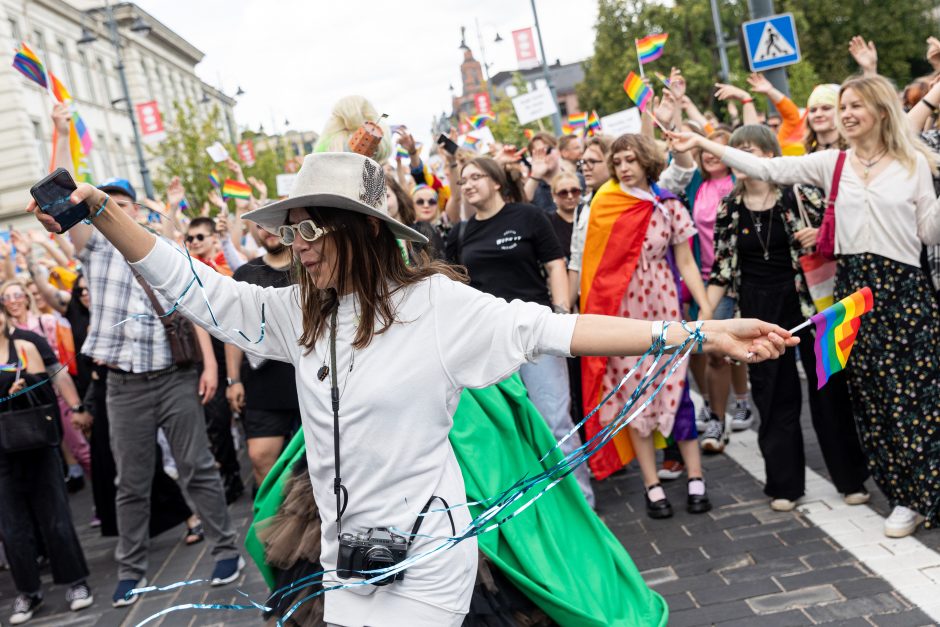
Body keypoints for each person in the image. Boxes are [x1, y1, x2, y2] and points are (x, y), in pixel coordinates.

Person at [29, 150, 794, 625]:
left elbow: (556, 331)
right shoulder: (298, 312)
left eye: (306, 231)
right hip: (345, 557)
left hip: (428, 554)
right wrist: (99, 211)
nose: (293, 248)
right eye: (288, 232)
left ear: (353, 231)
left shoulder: (437, 307)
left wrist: (699, 332)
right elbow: (192, 287)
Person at [670, 74, 940, 537]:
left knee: (918, 395)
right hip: (854, 290)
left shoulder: (912, 161)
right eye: (844, 105)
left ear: (880, 111)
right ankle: (904, 496)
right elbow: (768, 169)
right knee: (873, 398)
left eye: (857, 105)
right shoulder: (833, 164)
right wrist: (701, 140)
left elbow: (929, 232)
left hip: (905, 290)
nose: (848, 113)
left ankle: (927, 489)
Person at [59, 176, 243, 606]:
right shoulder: (93, 247)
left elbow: (193, 303)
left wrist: (211, 365)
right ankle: (131, 570)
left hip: (174, 376)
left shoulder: (163, 249)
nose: (113, 210)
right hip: (123, 385)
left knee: (197, 467)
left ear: (136, 210)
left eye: (122, 204)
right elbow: (68, 207)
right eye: (106, 203)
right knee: (131, 483)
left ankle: (226, 551)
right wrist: (57, 130)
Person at [706, 125, 870, 511]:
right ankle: (785, 484)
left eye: (751, 149)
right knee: (772, 393)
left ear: (770, 155)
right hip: (757, 310)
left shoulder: (800, 195)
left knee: (829, 390)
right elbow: (722, 269)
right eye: (737, 150)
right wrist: (705, 316)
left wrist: (820, 235)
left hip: (810, 303)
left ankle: (850, 478)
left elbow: (841, 233)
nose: (742, 157)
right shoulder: (729, 207)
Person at [445, 156, 594, 507]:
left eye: (476, 177)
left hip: (535, 332)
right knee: (509, 430)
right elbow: (455, 287)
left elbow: (555, 263)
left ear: (497, 182)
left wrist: (559, 311)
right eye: (463, 180)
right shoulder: (461, 232)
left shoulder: (527, 216)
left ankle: (583, 504)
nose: (467, 184)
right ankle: (536, 509)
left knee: (555, 421)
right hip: (488, 341)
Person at [579, 134, 713, 519]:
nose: (623, 167)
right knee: (634, 394)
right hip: (623, 311)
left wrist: (703, 305)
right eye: (617, 160)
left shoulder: (667, 205)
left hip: (664, 303)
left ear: (647, 162)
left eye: (631, 159)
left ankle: (695, 476)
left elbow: (686, 260)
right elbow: (596, 267)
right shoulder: (604, 203)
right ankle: (652, 485)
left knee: (676, 385)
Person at [0, 313, 93, 624]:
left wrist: (27, 385)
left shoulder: (27, 343)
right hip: (2, 453)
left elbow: (53, 385)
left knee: (55, 518)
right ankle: (28, 591)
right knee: (12, 528)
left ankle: (76, 582)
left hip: (37, 443)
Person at [226, 221, 301, 489]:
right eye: (260, 225)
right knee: (260, 458)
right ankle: (273, 525)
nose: (267, 230)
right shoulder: (246, 272)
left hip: (308, 378)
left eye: (274, 223)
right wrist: (233, 380)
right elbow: (234, 331)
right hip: (263, 383)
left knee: (319, 462)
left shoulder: (308, 264)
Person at [0, 279, 91, 486]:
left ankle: (105, 500)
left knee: (81, 449)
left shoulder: (45, 322)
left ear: (26, 297)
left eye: (17, 295)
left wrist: (76, 406)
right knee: (51, 454)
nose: (13, 301)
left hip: (58, 396)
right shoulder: (6, 334)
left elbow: (60, 367)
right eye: (6, 298)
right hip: (27, 407)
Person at [523, 132, 561, 212]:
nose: (543, 157)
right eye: (537, 153)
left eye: (546, 151)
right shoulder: (532, 188)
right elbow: (522, 204)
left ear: (557, 150)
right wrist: (535, 175)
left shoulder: (577, 178)